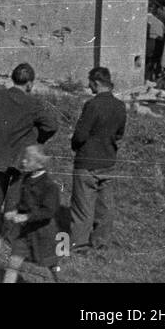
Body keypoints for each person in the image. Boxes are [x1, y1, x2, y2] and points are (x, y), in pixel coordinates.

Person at [0, 62, 58, 235]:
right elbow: (52, 125)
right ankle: (11, 234)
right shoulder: (33, 103)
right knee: (16, 197)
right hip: (21, 157)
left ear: (12, 78)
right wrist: (36, 139)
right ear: (30, 83)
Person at [68, 66, 126, 254]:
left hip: (87, 162)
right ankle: (101, 243)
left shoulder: (92, 105)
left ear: (97, 83)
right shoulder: (120, 106)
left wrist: (75, 145)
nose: (88, 86)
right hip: (108, 161)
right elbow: (119, 134)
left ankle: (80, 245)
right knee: (105, 206)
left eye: (90, 83)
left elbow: (80, 135)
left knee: (82, 206)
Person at [2, 144, 62, 283]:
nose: (23, 162)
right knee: (13, 262)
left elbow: (49, 211)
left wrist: (26, 216)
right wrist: (15, 212)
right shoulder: (27, 178)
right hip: (25, 232)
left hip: (43, 233)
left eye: (28, 160)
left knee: (47, 267)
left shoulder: (49, 186)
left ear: (39, 164)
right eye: (24, 158)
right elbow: (24, 203)